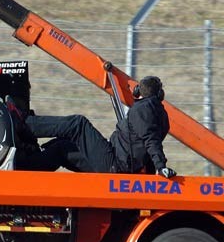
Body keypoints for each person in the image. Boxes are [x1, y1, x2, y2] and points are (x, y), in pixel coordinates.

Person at [10, 76, 176, 177]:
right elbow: (149, 142)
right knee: (63, 148)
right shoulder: (160, 114)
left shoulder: (144, 108)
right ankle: (25, 168)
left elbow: (150, 139)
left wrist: (160, 166)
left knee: (78, 124)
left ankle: (25, 124)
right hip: (118, 164)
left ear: (139, 91)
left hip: (116, 165)